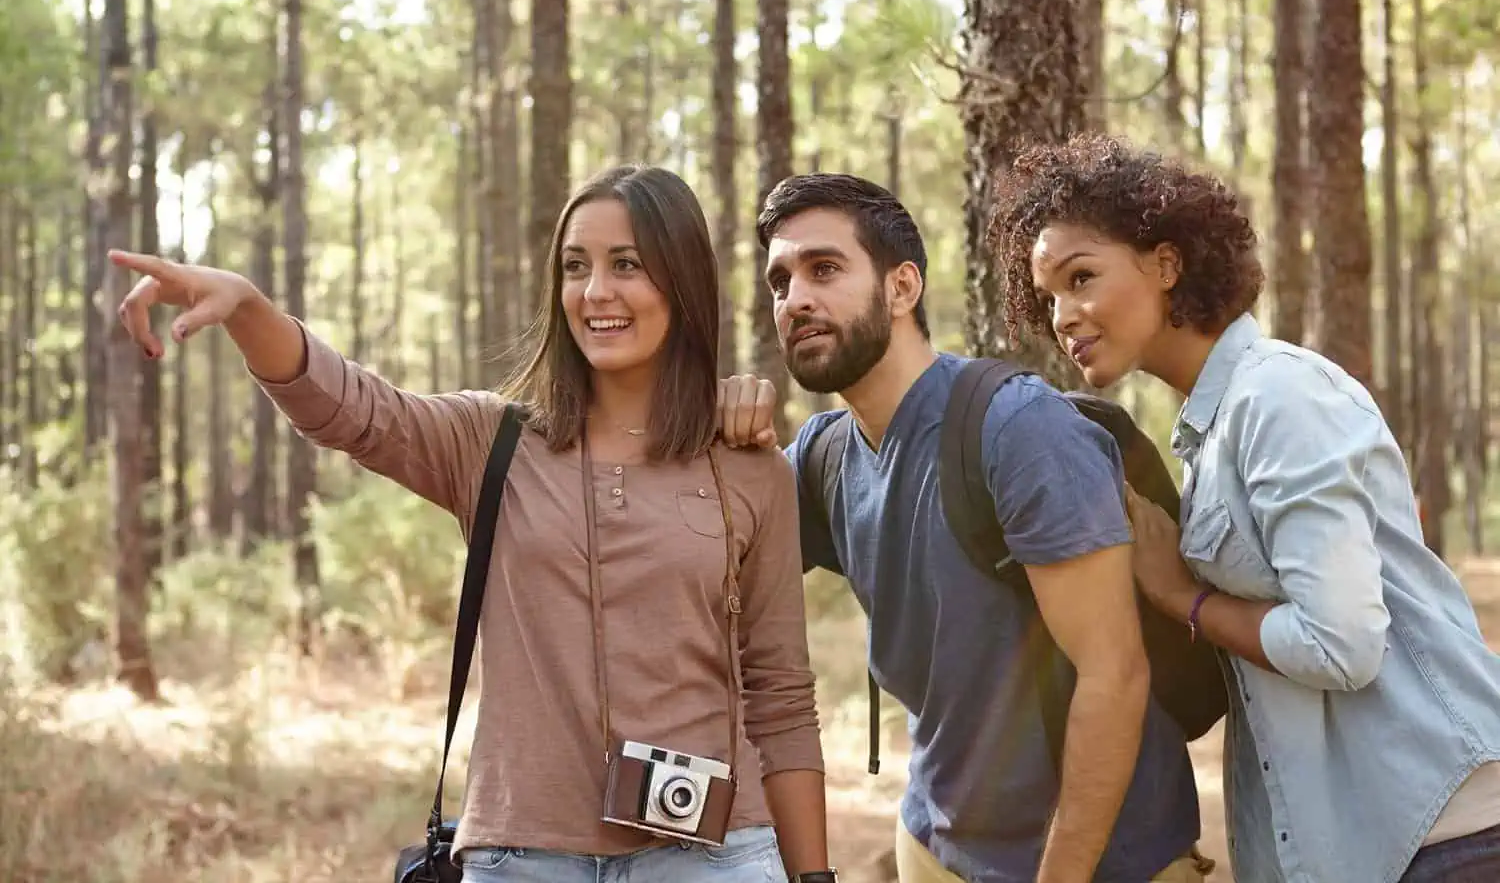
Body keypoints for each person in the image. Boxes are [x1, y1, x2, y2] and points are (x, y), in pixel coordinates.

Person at [110, 163, 838, 883]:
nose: (596, 292)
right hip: (522, 858)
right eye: (576, 266)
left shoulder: (747, 466)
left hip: (712, 860)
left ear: (681, 281)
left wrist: (814, 880)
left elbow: (780, 694)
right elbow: (353, 410)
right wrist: (249, 311)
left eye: (628, 265)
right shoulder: (495, 443)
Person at [988, 131, 1500, 883]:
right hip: (1368, 842)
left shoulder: (1277, 396)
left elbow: (1341, 644)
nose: (1064, 314)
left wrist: (1180, 596)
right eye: (1049, 297)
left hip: (1444, 830)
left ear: (1166, 264)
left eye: (1082, 276)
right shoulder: (1212, 428)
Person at [723, 173, 1209, 883]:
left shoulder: (1017, 431)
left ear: (902, 288)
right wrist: (710, 426)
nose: (795, 298)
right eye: (780, 281)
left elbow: (1116, 674)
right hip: (933, 846)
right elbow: (692, 570)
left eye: (824, 269)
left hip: (1096, 861)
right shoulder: (823, 458)